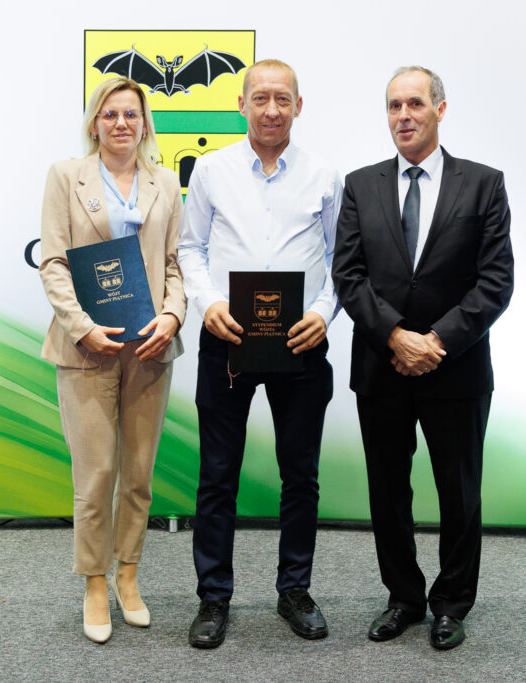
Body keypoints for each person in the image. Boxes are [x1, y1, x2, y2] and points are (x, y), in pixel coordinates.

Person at [332, 66, 513, 650]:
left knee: (459, 492)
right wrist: (395, 336)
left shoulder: (483, 184)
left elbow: (496, 281)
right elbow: (349, 276)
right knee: (388, 492)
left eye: (414, 103)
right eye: (394, 106)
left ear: (440, 109)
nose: (403, 116)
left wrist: (435, 341)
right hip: (381, 366)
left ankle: (452, 604)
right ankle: (404, 598)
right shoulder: (360, 185)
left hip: (455, 367)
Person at [177, 59, 343, 648]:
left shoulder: (325, 176)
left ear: (299, 105)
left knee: (300, 475)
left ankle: (294, 589)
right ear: (242, 104)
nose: (271, 109)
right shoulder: (211, 170)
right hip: (226, 339)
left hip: (301, 341)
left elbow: (341, 260)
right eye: (261, 98)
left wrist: (324, 312)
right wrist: (207, 304)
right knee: (217, 475)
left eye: (282, 99)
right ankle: (213, 597)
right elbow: (190, 248)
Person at [38, 77, 186, 644]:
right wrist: (83, 327)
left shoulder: (165, 183)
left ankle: (129, 574)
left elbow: (174, 264)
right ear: (94, 123)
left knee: (139, 474)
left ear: (145, 124)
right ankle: (95, 582)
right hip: (86, 349)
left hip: (148, 348)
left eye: (131, 114)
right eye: (110, 114)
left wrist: (172, 316)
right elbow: (53, 263)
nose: (121, 123)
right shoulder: (65, 176)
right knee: (96, 474)